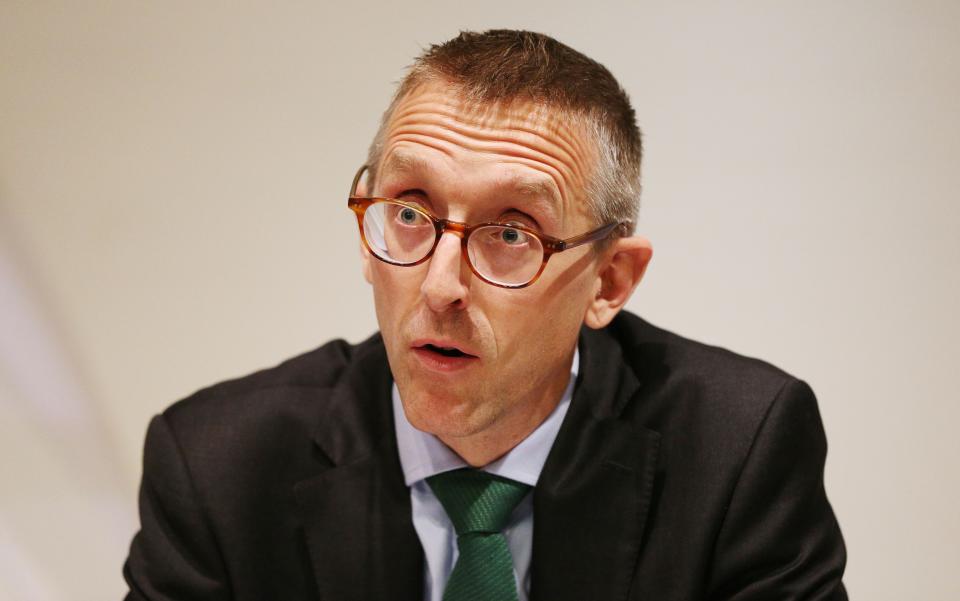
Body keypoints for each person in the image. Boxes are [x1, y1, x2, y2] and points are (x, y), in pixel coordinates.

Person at [123, 30, 847, 600]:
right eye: (409, 211)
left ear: (609, 280)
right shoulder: (218, 467)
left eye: (511, 234)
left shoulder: (736, 451)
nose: (440, 286)